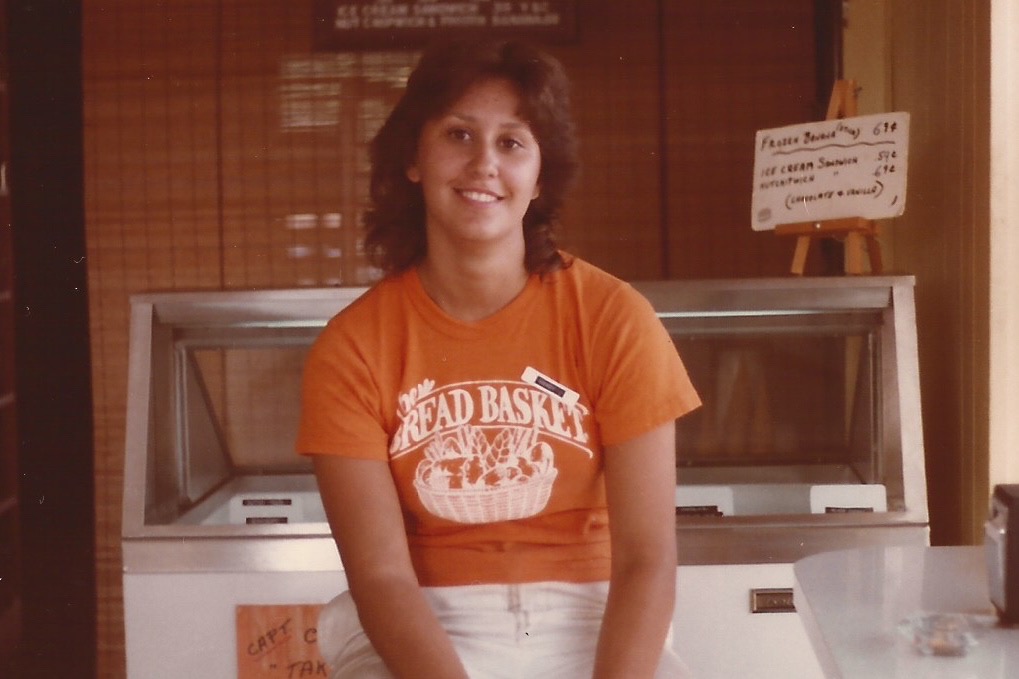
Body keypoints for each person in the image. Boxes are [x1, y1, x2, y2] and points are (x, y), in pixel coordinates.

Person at [297, 37, 701, 679]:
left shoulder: (615, 318)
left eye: (512, 143)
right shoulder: (352, 347)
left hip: (592, 619)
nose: (484, 162)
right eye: (459, 134)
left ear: (539, 177)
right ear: (413, 157)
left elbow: (648, 558)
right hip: (425, 625)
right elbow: (379, 576)